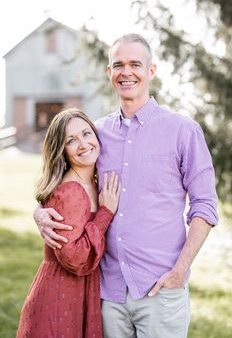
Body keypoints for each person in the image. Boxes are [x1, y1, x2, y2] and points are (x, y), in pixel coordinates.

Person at [34, 34, 218, 338]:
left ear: (151, 71)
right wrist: (39, 212)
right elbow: (62, 176)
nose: (126, 72)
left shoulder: (183, 131)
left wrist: (179, 271)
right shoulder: (96, 134)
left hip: (160, 289)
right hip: (109, 292)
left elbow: (205, 206)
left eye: (135, 64)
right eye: (118, 65)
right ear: (109, 73)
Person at [16, 108, 120, 338]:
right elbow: (74, 257)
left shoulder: (93, 182)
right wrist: (105, 213)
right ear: (62, 151)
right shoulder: (72, 190)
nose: (83, 144)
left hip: (79, 293)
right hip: (59, 297)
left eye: (86, 134)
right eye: (71, 140)